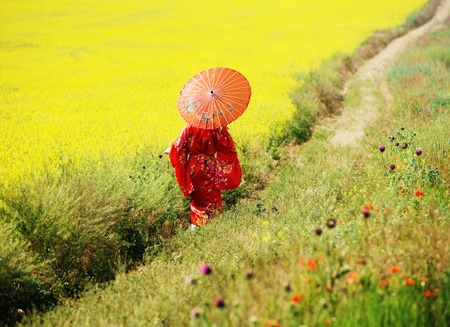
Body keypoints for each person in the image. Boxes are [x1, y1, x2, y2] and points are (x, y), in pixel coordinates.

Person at [166, 124, 242, 227]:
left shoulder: (188, 128)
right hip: (210, 168)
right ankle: (214, 225)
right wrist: (223, 131)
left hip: (194, 168)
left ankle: (197, 225)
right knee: (212, 198)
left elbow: (179, 148)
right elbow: (227, 148)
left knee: (197, 200)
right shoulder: (214, 128)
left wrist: (171, 151)